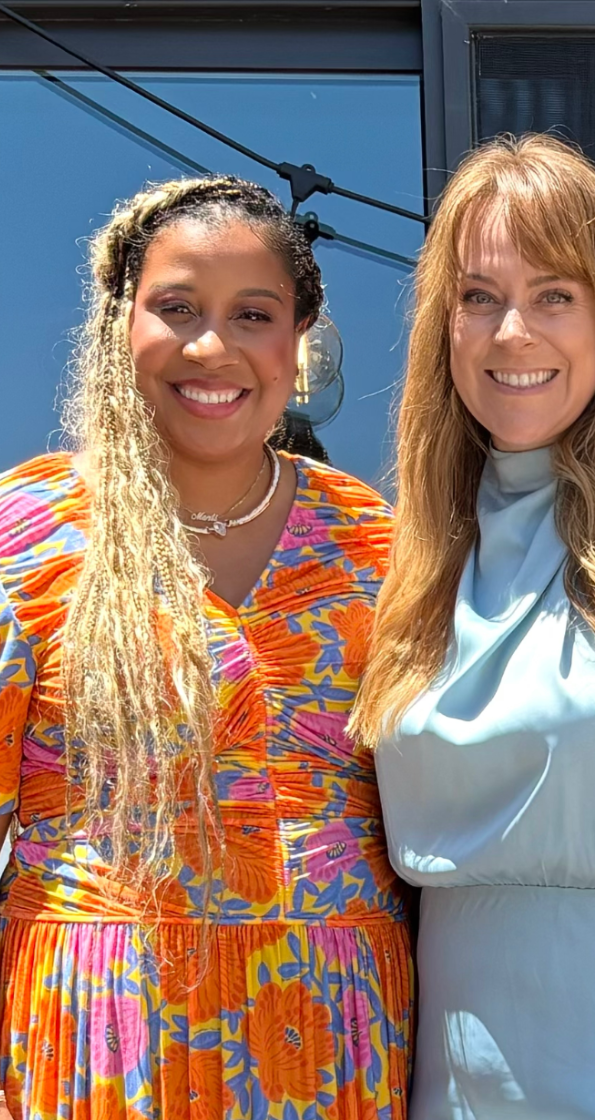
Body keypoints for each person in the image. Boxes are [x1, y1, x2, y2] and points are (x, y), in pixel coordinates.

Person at [0, 175, 413, 1119]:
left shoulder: (375, 542)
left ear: (296, 340)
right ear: (121, 324)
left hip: (335, 1030)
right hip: (97, 1035)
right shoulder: (28, 533)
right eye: (176, 307)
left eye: (252, 313)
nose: (211, 346)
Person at [351, 133, 595, 1119]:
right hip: (449, 1075)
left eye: (553, 296)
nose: (510, 331)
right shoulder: (407, 562)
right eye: (478, 297)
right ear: (443, 331)